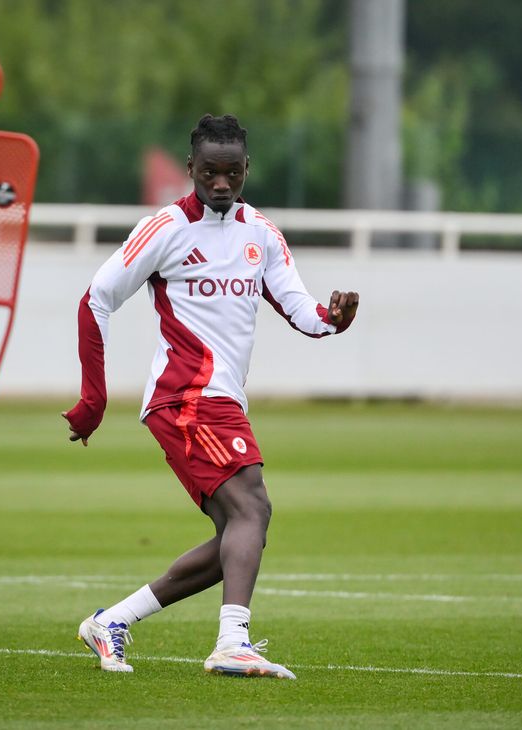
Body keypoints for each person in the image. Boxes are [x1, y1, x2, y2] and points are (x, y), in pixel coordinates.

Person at [62, 114, 359, 676]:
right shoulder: (165, 229)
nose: (220, 184)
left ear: (246, 169)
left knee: (237, 536)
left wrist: (334, 318)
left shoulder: (261, 235)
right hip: (186, 396)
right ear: (191, 168)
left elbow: (302, 309)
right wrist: (93, 400)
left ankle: (113, 621)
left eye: (231, 173)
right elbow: (95, 300)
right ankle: (232, 641)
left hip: (220, 400)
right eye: (208, 172)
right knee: (254, 506)